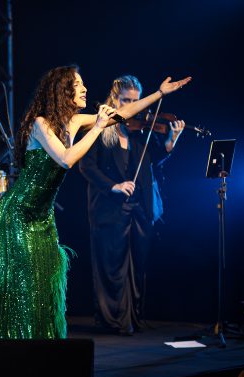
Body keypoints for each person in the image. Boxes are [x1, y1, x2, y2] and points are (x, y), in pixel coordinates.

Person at [0, 65, 190, 340]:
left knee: (46, 282)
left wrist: (159, 93)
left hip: (42, 215)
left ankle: (42, 343)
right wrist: (98, 127)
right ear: (63, 91)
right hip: (20, 212)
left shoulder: (75, 121)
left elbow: (124, 114)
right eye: (78, 85)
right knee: (26, 284)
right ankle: (17, 344)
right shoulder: (41, 123)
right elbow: (66, 159)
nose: (85, 89)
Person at [79, 75, 185, 336]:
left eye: (135, 101)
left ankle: (133, 318)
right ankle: (112, 320)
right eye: (126, 100)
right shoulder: (100, 128)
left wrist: (171, 141)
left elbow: (152, 163)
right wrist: (113, 186)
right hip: (108, 208)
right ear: (114, 99)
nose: (132, 107)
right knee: (111, 267)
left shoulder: (140, 132)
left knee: (137, 266)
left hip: (139, 208)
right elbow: (86, 166)